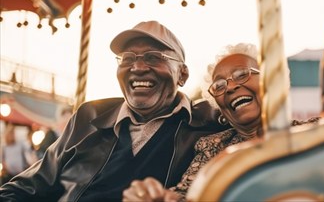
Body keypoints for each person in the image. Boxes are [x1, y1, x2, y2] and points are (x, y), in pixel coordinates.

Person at [122, 29, 324, 201]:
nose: (231, 86)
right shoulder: (213, 148)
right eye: (220, 85)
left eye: (242, 75)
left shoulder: (316, 132)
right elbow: (187, 194)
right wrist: (158, 198)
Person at [0, 20, 227, 201]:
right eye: (128, 58)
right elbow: (28, 186)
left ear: (183, 74)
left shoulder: (209, 121)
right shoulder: (88, 116)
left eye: (153, 57)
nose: (138, 67)